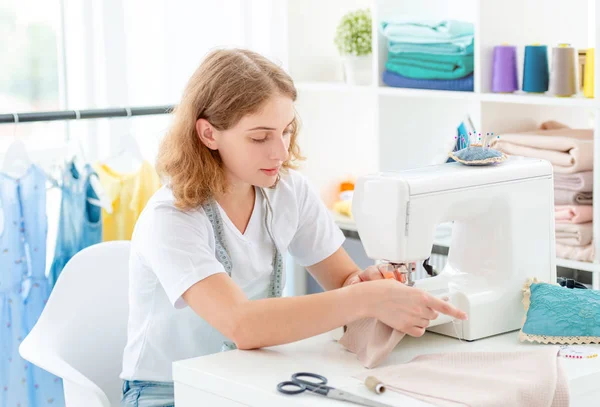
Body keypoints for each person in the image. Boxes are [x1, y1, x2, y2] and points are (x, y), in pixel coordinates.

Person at [120, 48, 467, 406]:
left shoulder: (288, 192)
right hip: (165, 392)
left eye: (286, 131)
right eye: (260, 137)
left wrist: (371, 285)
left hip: (247, 376)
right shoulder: (172, 217)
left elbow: (344, 281)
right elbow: (243, 325)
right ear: (209, 134)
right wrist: (364, 299)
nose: (281, 152)